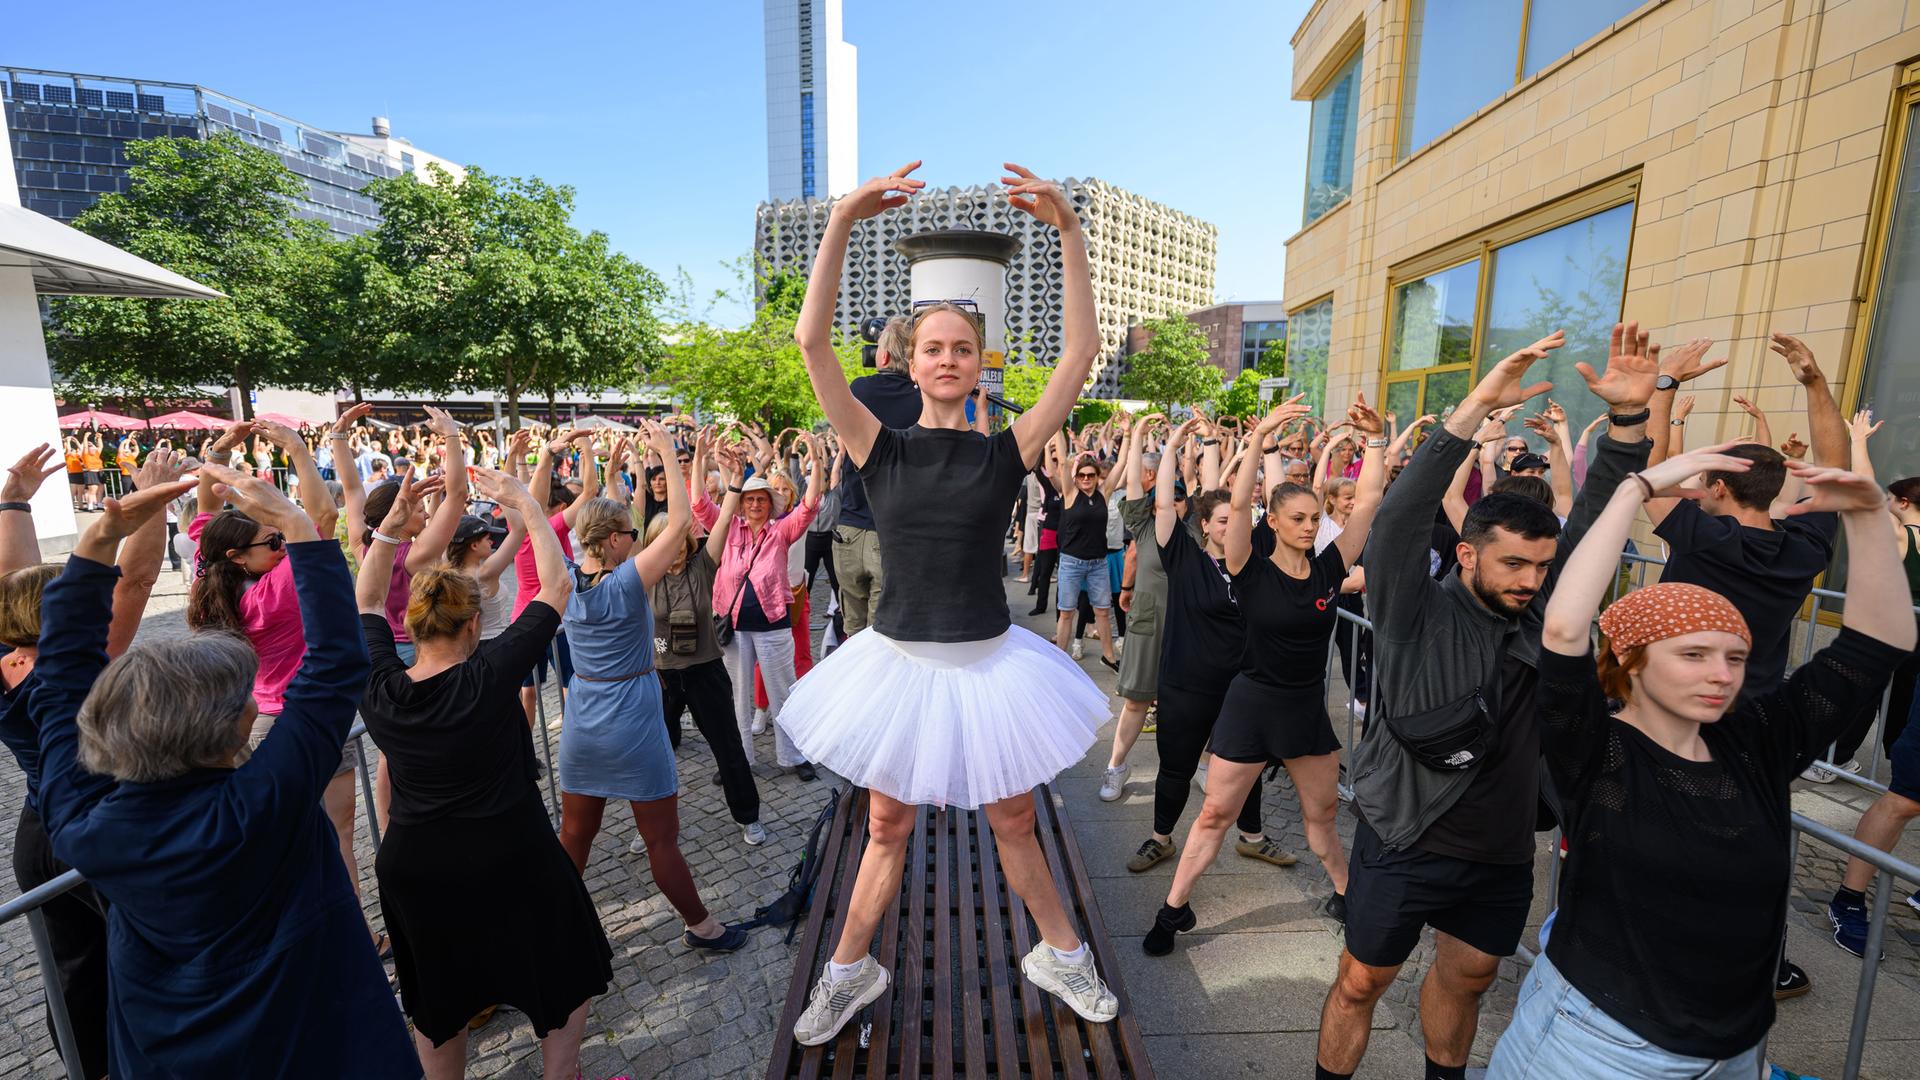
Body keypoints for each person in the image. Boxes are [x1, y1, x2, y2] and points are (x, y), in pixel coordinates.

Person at [783, 162, 1120, 1046]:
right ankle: (850, 972)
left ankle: (1061, 954)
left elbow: (1080, 354)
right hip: (897, 663)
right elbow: (811, 344)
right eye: (932, 348)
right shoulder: (876, 448)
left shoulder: (1005, 451)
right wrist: (845, 219)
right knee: (885, 823)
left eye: (961, 349)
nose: (946, 360)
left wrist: (1070, 236)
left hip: (987, 660)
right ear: (909, 361)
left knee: (1014, 818)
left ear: (978, 363)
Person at [1485, 446, 1915, 1077]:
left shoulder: (1759, 739)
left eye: (1735, 658)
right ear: (1631, 660)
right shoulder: (1596, 750)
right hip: (1600, 1046)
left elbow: (1879, 642)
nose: (1721, 676)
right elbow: (1564, 630)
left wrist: (1872, 514)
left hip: (1735, 1049)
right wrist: (1634, 488)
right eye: (1693, 655)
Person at [1316, 323, 1674, 1080]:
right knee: (1361, 982)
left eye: (1542, 567)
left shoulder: (1542, 615)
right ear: (1470, 554)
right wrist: (1473, 406)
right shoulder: (1416, 611)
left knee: (1471, 977)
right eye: (1513, 563)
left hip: (1502, 850)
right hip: (1405, 836)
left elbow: (1596, 522)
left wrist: (1630, 422)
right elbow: (1405, 515)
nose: (1531, 580)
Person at [30, 464, 418, 1077]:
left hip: (172, 1056)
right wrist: (295, 523)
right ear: (231, 724)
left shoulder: (84, 823)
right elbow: (338, 664)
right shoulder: (261, 802)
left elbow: (55, 690)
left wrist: (99, 540)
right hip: (318, 1044)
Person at [357, 468, 612, 1079]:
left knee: (438, 1006)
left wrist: (386, 536)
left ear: (414, 627)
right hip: (509, 851)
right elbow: (556, 586)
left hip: (416, 866)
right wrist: (524, 501)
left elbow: (366, 602)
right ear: (473, 624)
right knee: (563, 970)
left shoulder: (382, 690)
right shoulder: (487, 676)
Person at [1145, 395, 1382, 956]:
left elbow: (1369, 499)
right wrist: (1258, 441)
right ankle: (1172, 910)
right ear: (1270, 521)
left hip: (1304, 710)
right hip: (1251, 705)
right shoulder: (1246, 567)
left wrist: (1374, 441)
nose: (1307, 527)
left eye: (1314, 519)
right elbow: (1243, 495)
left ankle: (1347, 896)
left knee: (1321, 818)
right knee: (1215, 815)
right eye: (1295, 519)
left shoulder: (1329, 567)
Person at [2, 445, 179, 1080]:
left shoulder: (9, 653)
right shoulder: (79, 662)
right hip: (101, 824)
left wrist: (14, 501)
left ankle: (88, 1068)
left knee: (71, 967)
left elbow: (14, 586)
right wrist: (154, 502)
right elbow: (135, 579)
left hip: (37, 829)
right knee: (149, 957)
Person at [555, 423, 749, 951]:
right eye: (630, 535)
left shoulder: (563, 581)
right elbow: (681, 521)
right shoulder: (626, 581)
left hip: (583, 722)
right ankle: (703, 927)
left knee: (574, 837)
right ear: (616, 539)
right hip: (634, 722)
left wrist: (612, 472)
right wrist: (666, 450)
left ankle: (554, 928)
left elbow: (539, 523)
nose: (636, 540)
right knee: (661, 840)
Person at [187, 418, 375, 919]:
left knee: (290, 838)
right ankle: (355, 930)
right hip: (304, 719)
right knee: (335, 835)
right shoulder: (273, 592)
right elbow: (320, 515)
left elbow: (206, 513)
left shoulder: (209, 581)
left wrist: (217, 459)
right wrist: (295, 447)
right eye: (272, 544)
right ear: (239, 556)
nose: (280, 546)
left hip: (257, 722)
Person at [1125, 421, 1288, 878]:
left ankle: (1253, 838)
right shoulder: (1184, 558)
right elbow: (1161, 506)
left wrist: (1266, 445)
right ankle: (1160, 839)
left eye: (1236, 519)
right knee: (1175, 769)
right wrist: (1173, 448)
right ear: (1204, 526)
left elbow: (1272, 501)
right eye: (1222, 521)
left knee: (1246, 768)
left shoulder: (1253, 561)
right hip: (1185, 686)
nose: (1231, 525)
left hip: (1242, 689)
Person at [645, 451, 764, 845]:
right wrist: (659, 655)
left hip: (705, 672)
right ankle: (651, 826)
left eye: (679, 539)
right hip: (663, 676)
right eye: (665, 542)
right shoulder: (647, 576)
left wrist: (734, 481)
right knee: (653, 753)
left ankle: (748, 816)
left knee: (727, 745)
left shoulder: (703, 565)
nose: (674, 548)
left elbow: (726, 519)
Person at [693, 435, 823, 779]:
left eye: (761, 499)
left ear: (770, 504)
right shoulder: (727, 528)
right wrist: (698, 455)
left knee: (783, 690)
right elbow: (698, 502)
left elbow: (809, 506)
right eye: (749, 499)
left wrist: (817, 461)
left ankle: (793, 756)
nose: (754, 505)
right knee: (737, 696)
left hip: (773, 623)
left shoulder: (781, 531)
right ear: (740, 503)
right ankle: (739, 760)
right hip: (732, 627)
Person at [833, 315, 923, 636]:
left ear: (881, 356)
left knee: (852, 632)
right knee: (881, 637)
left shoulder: (859, 389)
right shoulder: (923, 401)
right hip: (892, 532)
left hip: (849, 528)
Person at [1101, 425, 1166, 802]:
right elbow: (1136, 486)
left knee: (1194, 698)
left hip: (1189, 622)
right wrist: (1137, 436)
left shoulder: (1194, 523)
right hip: (1147, 617)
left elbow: (1206, 484)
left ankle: (1204, 762)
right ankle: (1115, 766)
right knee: (1137, 700)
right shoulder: (1144, 521)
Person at [1053, 440, 1122, 670]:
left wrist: (1131, 435)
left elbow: (1121, 464)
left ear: (1096, 476)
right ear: (1076, 477)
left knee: (1103, 611)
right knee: (1066, 613)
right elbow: (1062, 462)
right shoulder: (1071, 493)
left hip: (1098, 563)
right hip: (1072, 562)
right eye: (1081, 475)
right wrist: (1056, 430)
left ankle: (1109, 657)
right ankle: (1060, 661)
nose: (1085, 479)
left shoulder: (1104, 494)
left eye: (1090, 475)